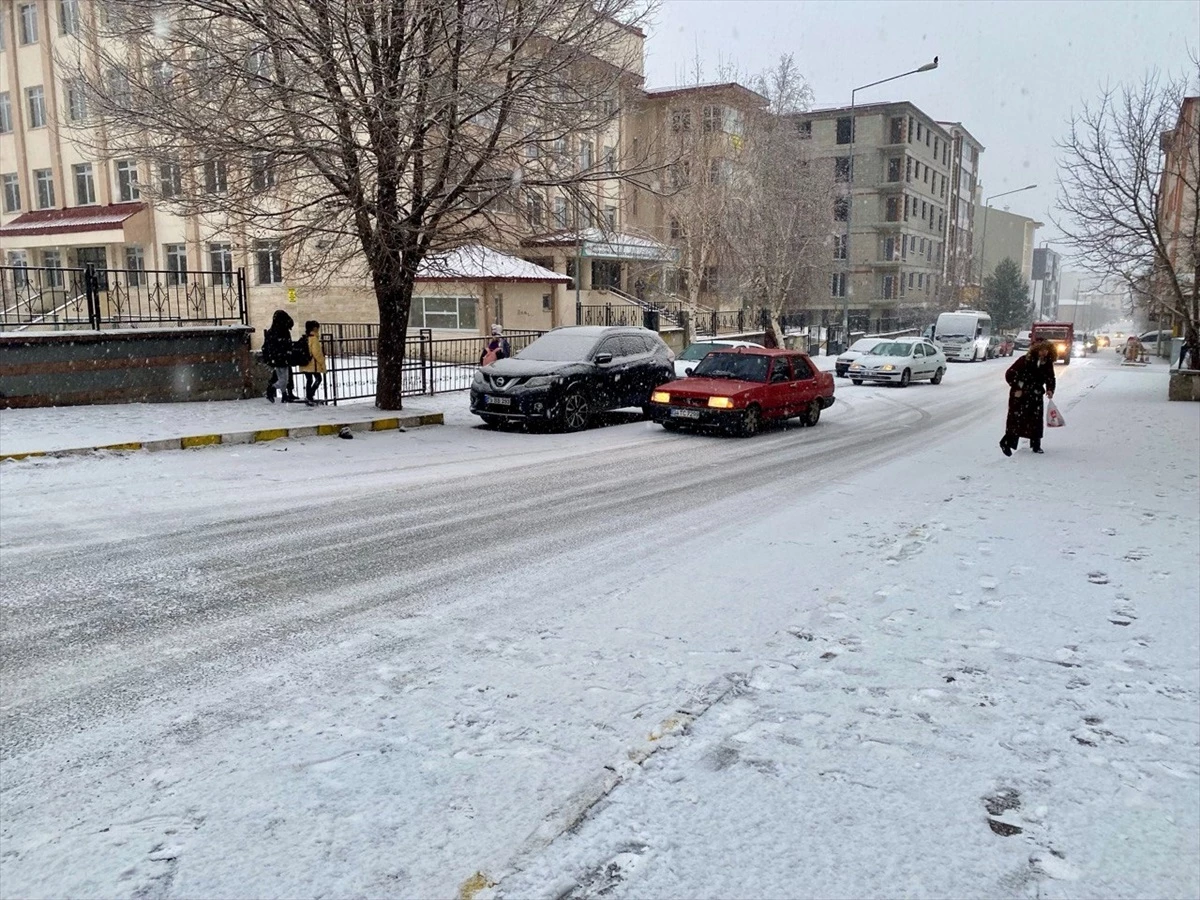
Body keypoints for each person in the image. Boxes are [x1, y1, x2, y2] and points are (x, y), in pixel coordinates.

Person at [1000, 340, 1056, 456]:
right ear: (1036, 350)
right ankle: (1007, 443)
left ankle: (1036, 445)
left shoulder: (1047, 362)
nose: (1044, 352)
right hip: (1020, 394)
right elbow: (1010, 374)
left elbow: (1050, 377)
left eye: (1046, 350)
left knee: (1036, 420)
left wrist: (1050, 389)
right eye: (1041, 350)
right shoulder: (1024, 360)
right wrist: (1018, 386)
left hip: (1036, 394)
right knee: (1016, 419)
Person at [262, 309, 295, 403]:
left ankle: (284, 394)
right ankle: (272, 389)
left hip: (277, 357)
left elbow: (269, 345)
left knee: (282, 377)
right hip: (282, 357)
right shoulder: (282, 332)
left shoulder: (272, 331)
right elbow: (286, 344)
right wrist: (287, 353)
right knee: (284, 378)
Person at [297, 320, 327, 407]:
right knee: (318, 379)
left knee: (309, 380)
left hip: (304, 363)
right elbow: (317, 353)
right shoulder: (314, 339)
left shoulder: (304, 338)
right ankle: (310, 395)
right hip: (312, 364)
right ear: (314, 328)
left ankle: (309, 396)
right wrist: (322, 364)